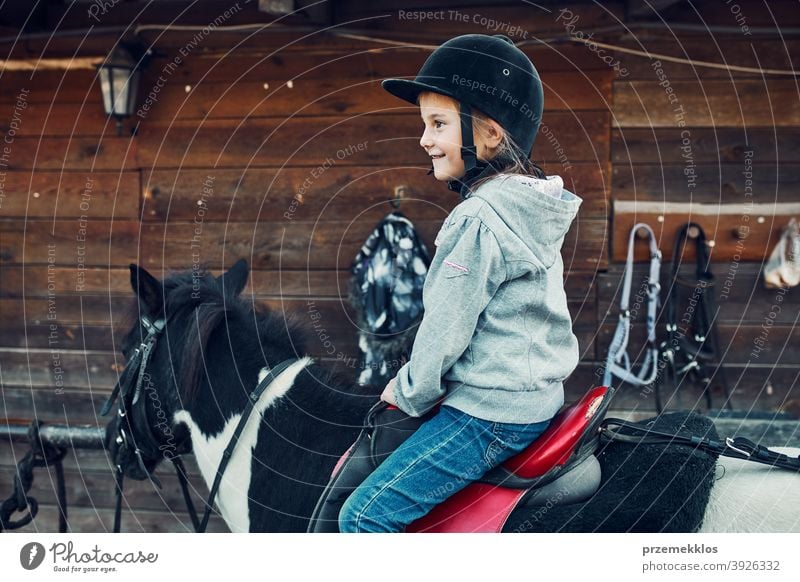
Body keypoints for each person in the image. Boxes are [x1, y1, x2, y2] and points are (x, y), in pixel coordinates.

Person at [338, 33, 583, 533]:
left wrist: (404, 394)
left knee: (363, 517)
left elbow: (445, 332)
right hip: (535, 398)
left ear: (489, 135)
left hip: (488, 413)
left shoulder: (478, 218)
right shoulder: (529, 207)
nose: (425, 138)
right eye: (424, 124)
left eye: (438, 124)